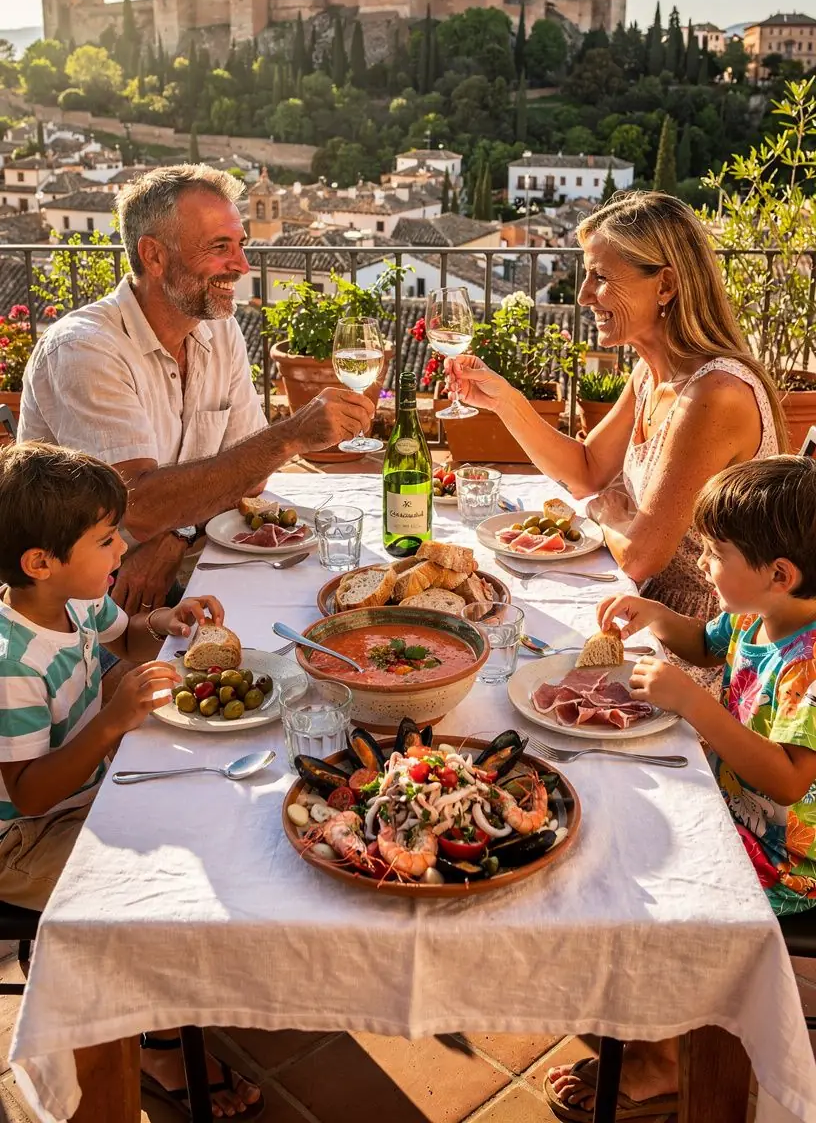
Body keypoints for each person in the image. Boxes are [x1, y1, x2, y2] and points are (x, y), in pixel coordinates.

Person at [547, 454, 816, 1119]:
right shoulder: (758, 614)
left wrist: (697, 709)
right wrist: (651, 614)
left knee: (664, 898)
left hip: (790, 859)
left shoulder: (807, 668)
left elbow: (786, 782)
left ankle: (667, 1061)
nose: (701, 565)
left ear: (779, 574)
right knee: (611, 820)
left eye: (716, 553)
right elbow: (700, 644)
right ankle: (633, 1011)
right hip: (735, 812)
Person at [0, 441, 262, 1116]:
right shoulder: (12, 663)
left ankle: (168, 1008)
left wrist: (163, 622)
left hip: (81, 792)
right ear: (40, 563)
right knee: (128, 910)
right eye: (106, 538)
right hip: (23, 840)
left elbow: (119, 642)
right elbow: (29, 792)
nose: (122, 551)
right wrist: (112, 724)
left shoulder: (79, 600)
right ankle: (119, 1071)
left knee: (208, 813)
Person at [19, 164, 374, 616]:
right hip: (87, 599)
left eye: (241, 245)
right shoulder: (86, 349)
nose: (242, 266)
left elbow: (253, 477)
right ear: (154, 256)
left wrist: (177, 536)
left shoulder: (218, 330)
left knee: (337, 602)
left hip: (186, 561)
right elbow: (137, 507)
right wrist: (291, 435)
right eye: (219, 247)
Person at [448, 191, 784, 624]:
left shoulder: (715, 394)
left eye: (600, 277)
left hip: (705, 634)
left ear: (665, 285)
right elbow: (587, 471)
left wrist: (601, 508)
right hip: (642, 601)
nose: (585, 296)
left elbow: (640, 556)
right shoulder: (650, 373)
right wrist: (505, 400)